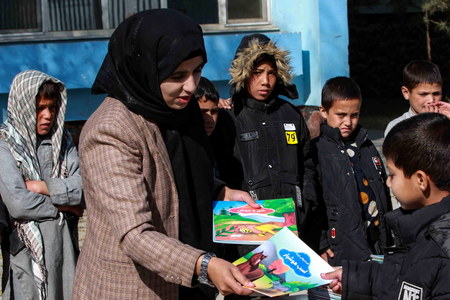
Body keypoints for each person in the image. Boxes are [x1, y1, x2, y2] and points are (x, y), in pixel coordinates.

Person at [72, 9, 259, 300]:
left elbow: (180, 179)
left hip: (192, 285)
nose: (192, 86)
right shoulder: (110, 130)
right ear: (144, 68)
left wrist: (223, 193)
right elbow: (135, 234)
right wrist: (205, 265)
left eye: (197, 70)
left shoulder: (182, 113)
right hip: (134, 288)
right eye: (177, 75)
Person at [322, 113, 450, 299]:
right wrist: (353, 278)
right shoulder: (430, 227)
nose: (388, 182)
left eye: (393, 175)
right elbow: (408, 277)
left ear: (421, 180)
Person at [227, 33, 319, 250]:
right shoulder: (231, 118)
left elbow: (308, 165)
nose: (265, 81)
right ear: (244, 73)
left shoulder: (291, 115)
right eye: (257, 73)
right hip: (248, 230)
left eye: (271, 73)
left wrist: (303, 204)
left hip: (293, 228)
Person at [0, 70, 84, 300]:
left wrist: (42, 187)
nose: (48, 115)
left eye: (52, 107)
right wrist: (67, 207)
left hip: (66, 250)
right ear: (24, 107)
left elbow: (84, 188)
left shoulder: (64, 141)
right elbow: (19, 204)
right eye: (40, 108)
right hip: (27, 257)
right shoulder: (5, 145)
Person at [310, 77, 393, 266]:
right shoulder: (316, 151)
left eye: (354, 115)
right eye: (341, 115)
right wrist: (321, 242)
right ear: (324, 111)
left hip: (376, 243)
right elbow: (312, 202)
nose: (348, 122)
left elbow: (382, 192)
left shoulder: (366, 145)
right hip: (341, 246)